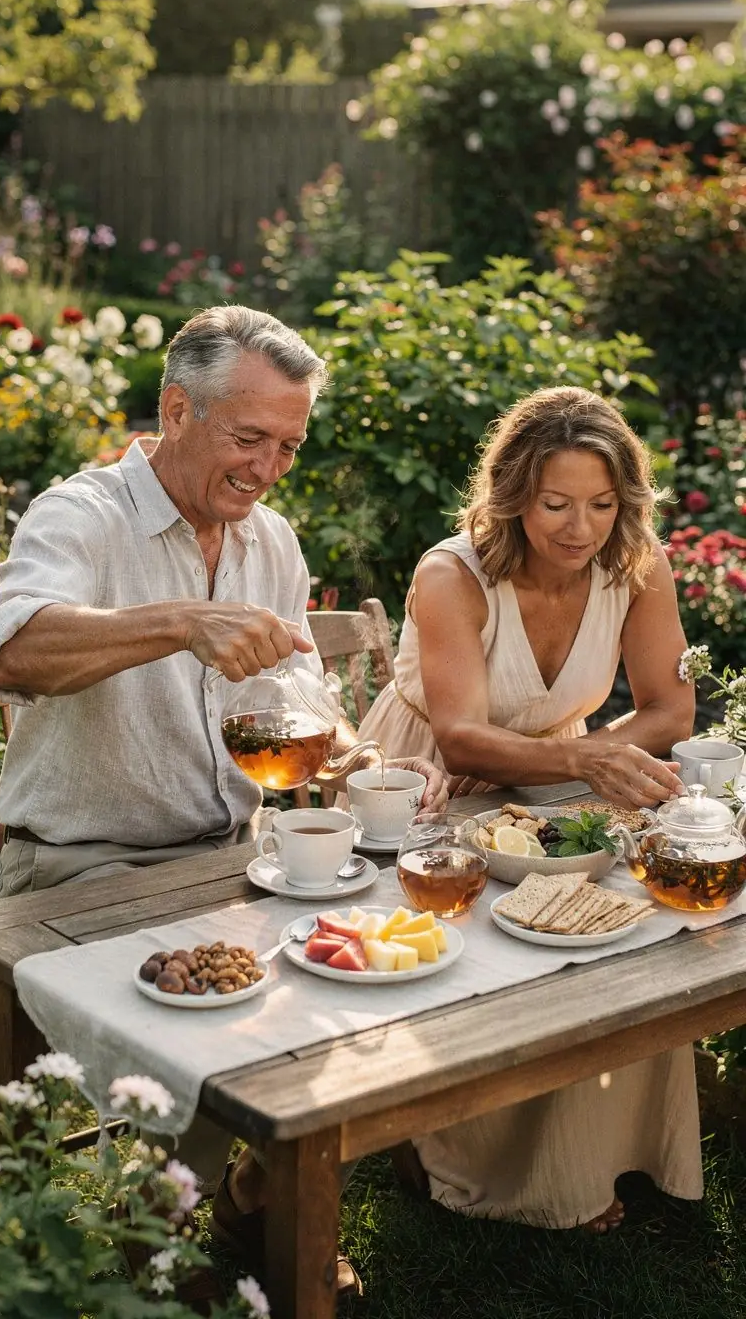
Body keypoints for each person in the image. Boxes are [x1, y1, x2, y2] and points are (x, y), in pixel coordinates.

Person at [0, 304, 446, 1296]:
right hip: (81, 867)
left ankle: (244, 1205)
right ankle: (172, 1234)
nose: (269, 468)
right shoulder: (82, 515)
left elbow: (304, 697)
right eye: (248, 438)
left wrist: (361, 762)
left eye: (288, 445)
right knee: (224, 1022)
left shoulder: (268, 538)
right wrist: (180, 621)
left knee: (371, 975)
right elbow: (12, 653)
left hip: (235, 856)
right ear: (177, 410)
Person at [357, 385, 702, 1232]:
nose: (578, 529)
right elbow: (465, 741)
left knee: (613, 928)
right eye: (555, 503)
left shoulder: (638, 565)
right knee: (482, 950)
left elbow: (671, 708)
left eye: (600, 504)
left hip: (556, 787)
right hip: (432, 784)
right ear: (513, 495)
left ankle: (602, 1157)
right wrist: (579, 757)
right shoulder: (453, 575)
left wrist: (594, 756)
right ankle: (448, 1152)